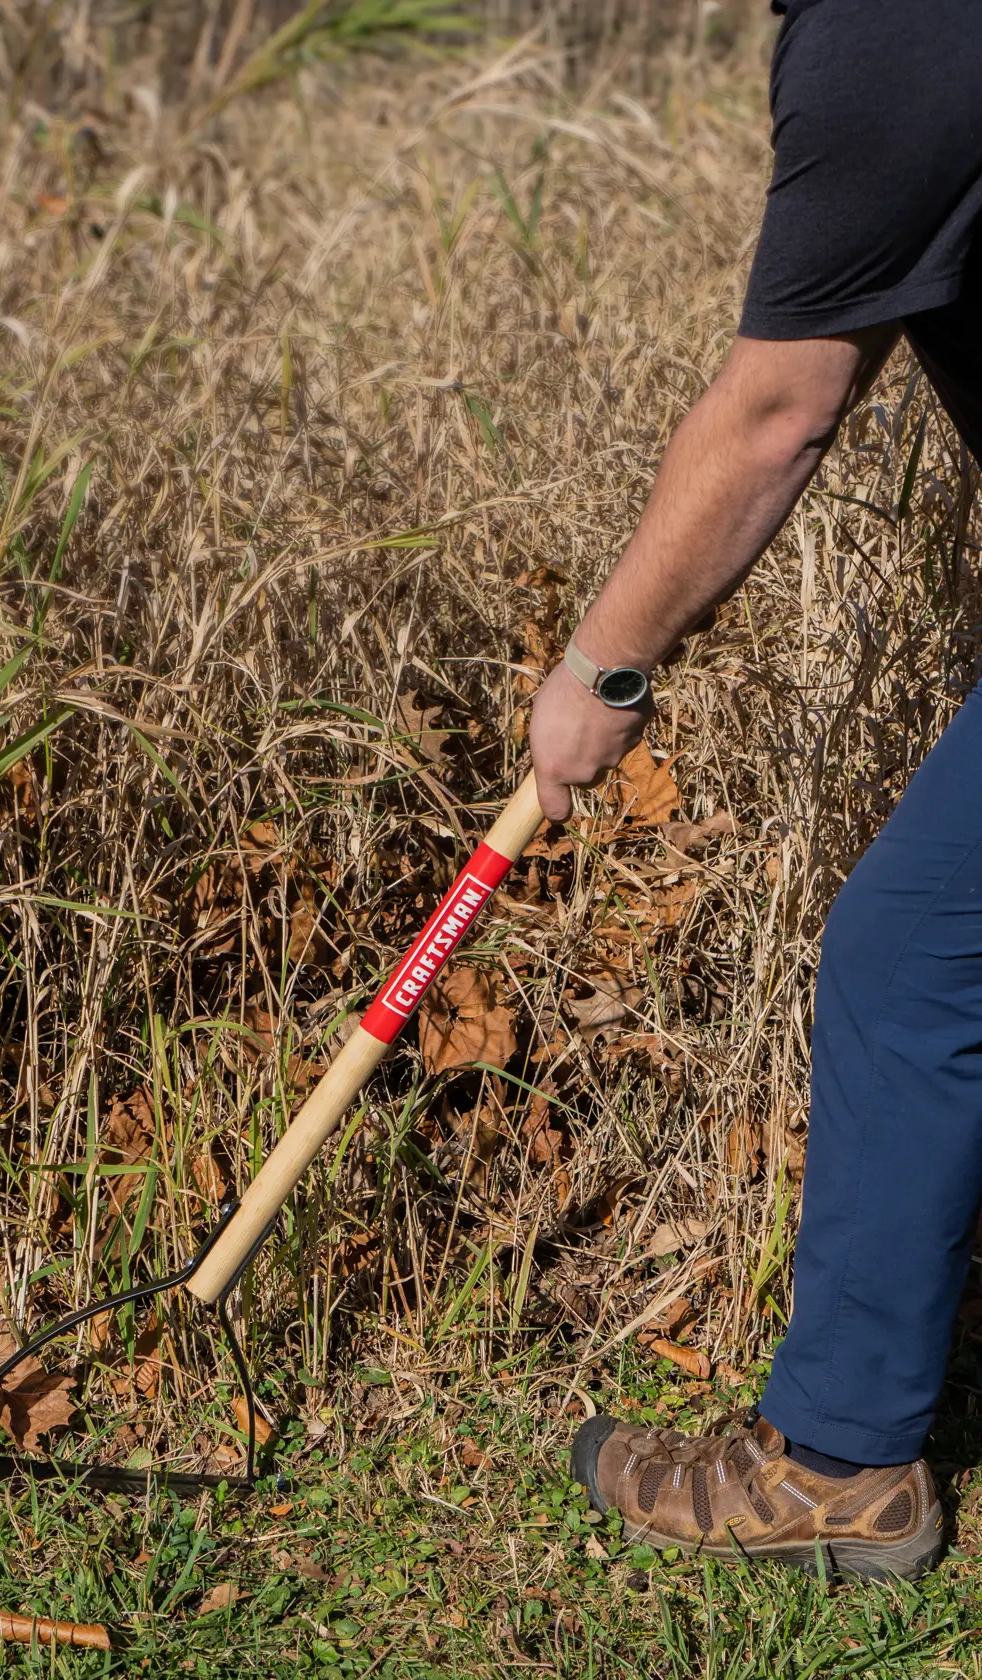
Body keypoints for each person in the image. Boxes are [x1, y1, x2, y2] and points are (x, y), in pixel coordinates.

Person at [531, 0, 982, 1578]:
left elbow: (781, 409)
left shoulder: (896, 29)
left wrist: (604, 671)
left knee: (914, 961)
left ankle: (840, 1466)